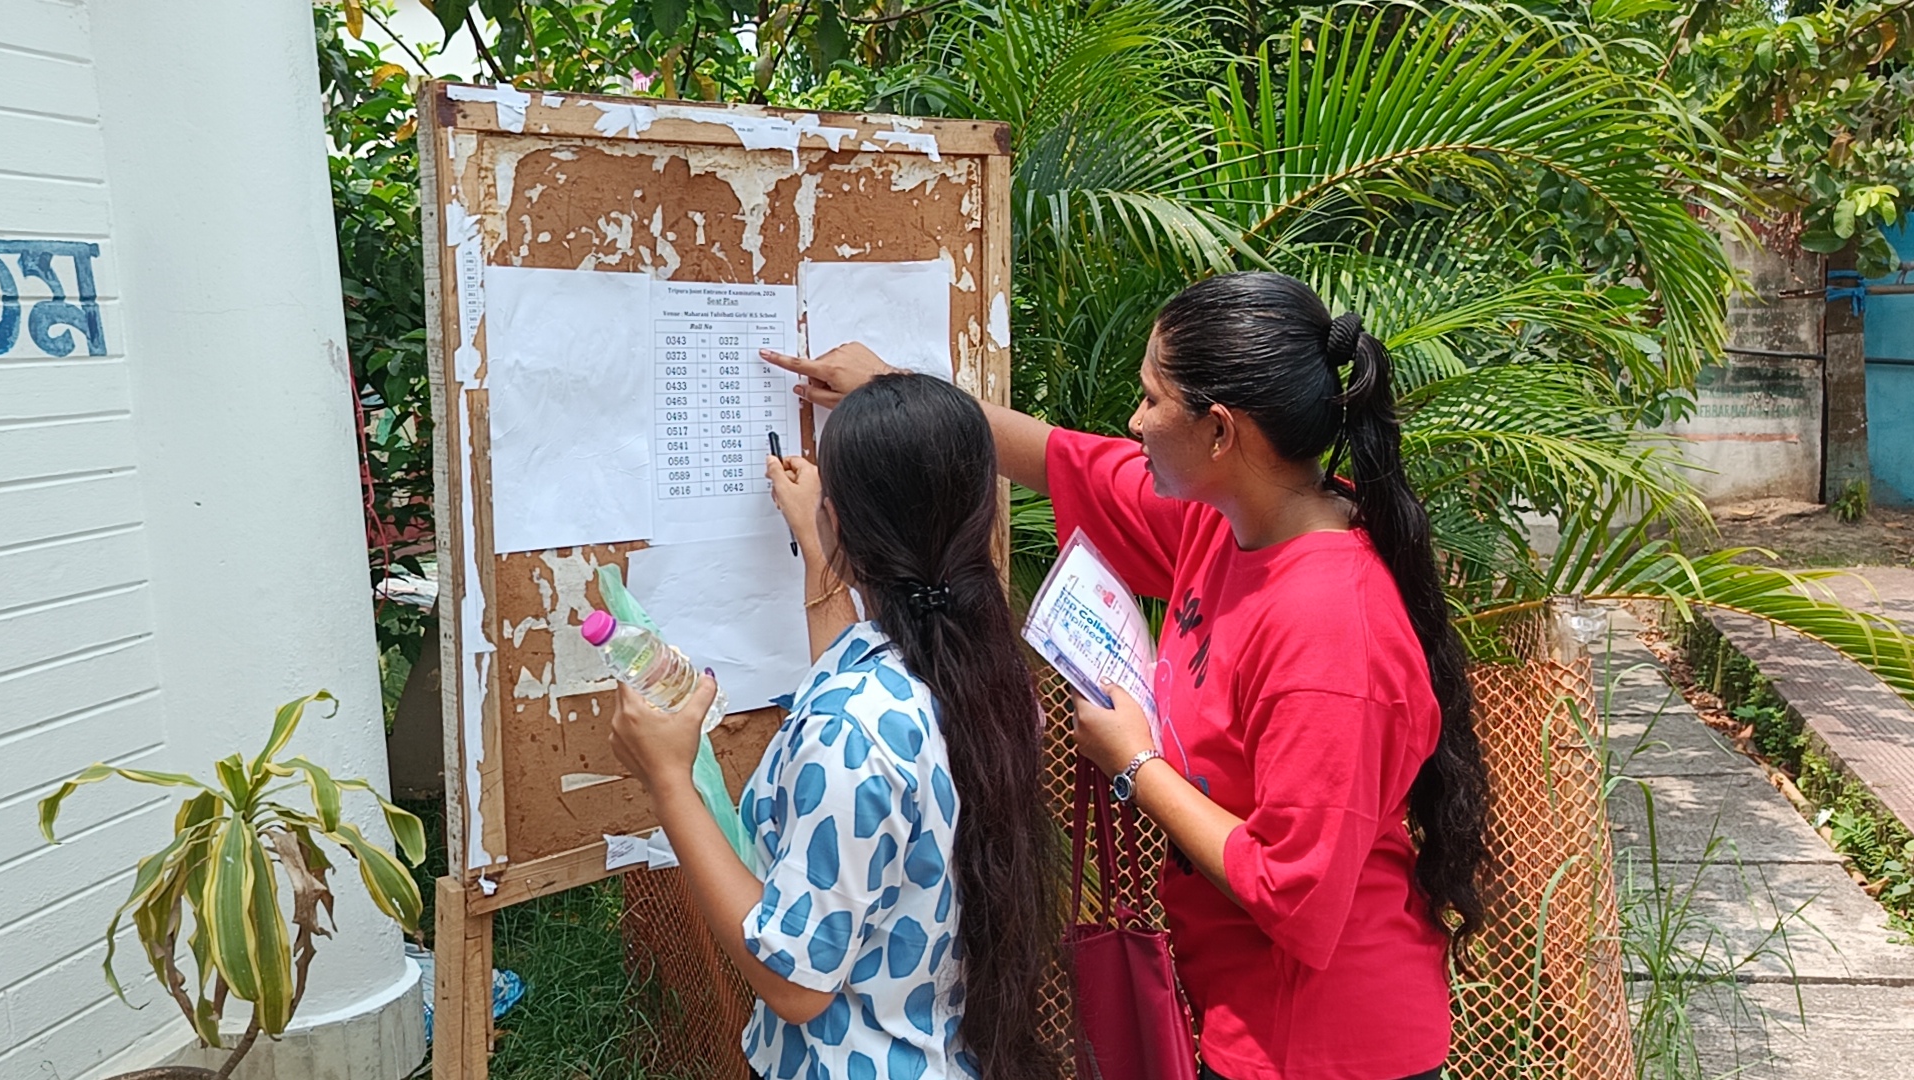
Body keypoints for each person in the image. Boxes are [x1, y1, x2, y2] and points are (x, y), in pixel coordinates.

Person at [763, 271, 1489, 1080]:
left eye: (1151, 399)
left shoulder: (1329, 630)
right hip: (1244, 1009)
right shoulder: (1228, 522)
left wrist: (1136, 766)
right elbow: (1065, 459)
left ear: (1220, 433)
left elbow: (1299, 897)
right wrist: (895, 393)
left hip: (1321, 1045)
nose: (1133, 421)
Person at [608, 374, 1059, 1080]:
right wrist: (821, 554)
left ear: (841, 518)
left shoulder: (850, 730)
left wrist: (670, 783)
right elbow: (860, 701)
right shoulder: (992, 680)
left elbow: (795, 984)